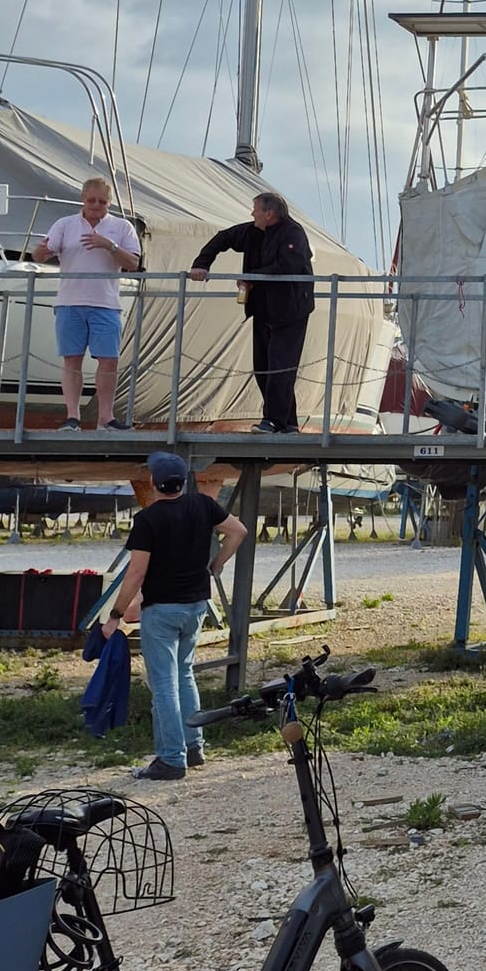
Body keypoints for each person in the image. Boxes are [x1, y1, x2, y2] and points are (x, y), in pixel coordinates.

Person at [104, 451, 247, 782]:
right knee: (184, 675)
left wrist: (115, 614)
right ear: (183, 482)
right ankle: (193, 746)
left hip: (161, 610)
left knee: (164, 683)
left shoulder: (148, 520)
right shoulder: (203, 505)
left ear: (153, 483)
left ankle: (171, 758)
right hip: (195, 605)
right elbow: (238, 531)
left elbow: (136, 573)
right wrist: (216, 564)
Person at [191, 189, 316, 433]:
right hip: (262, 308)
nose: (252, 214)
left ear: (269, 214)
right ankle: (288, 422)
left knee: (280, 365)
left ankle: (273, 420)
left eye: (256, 210)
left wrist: (252, 277)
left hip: (290, 311)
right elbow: (223, 238)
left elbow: (288, 266)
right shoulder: (252, 231)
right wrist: (201, 264)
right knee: (263, 366)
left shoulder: (293, 233)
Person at [34, 173, 142, 434]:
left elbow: (133, 263)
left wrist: (109, 246)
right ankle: (72, 417)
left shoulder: (122, 227)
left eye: (102, 202)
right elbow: (42, 254)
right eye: (92, 200)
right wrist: (40, 252)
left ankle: (106, 418)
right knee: (72, 360)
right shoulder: (65, 224)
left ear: (109, 203)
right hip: (69, 302)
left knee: (109, 361)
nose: (96, 206)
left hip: (106, 303)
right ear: (83, 199)